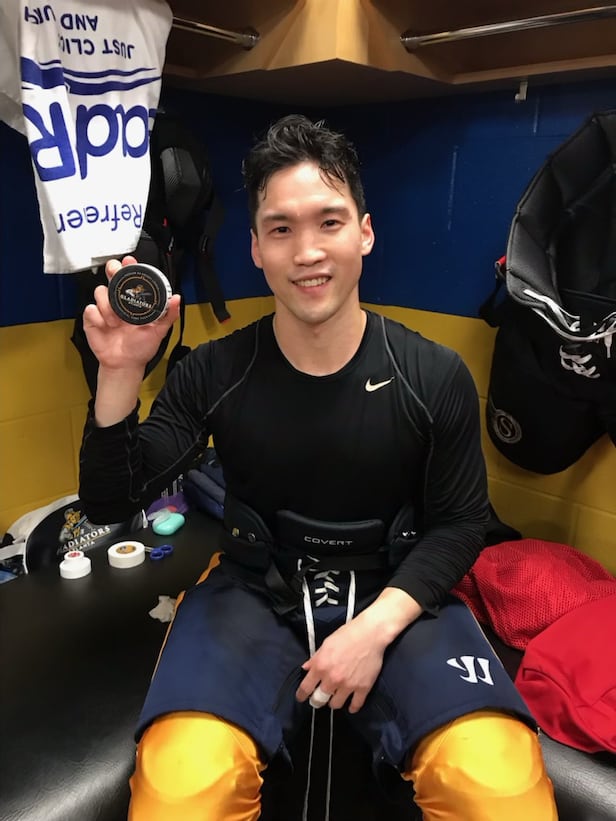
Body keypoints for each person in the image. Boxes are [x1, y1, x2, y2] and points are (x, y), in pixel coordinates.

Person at [79, 114, 557, 820]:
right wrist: (120, 370)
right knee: (183, 787)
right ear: (256, 248)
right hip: (253, 588)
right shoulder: (212, 371)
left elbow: (460, 525)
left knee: (496, 784)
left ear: (364, 232)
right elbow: (110, 503)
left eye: (328, 222)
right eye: (280, 229)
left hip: (397, 590)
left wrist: (372, 630)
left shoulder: (434, 375)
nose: (307, 252)